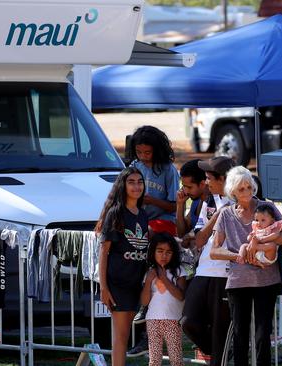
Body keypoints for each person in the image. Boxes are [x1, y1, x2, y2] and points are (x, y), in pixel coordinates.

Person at [210, 166, 282, 366]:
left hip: (267, 279)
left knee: (263, 333)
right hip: (238, 281)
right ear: (232, 191)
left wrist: (264, 245)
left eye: (249, 187)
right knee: (240, 334)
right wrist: (239, 254)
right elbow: (214, 251)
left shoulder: (267, 207)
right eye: (241, 189)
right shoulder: (225, 214)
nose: (247, 192)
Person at [179, 156, 235, 366]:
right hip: (203, 270)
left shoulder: (243, 200)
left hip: (227, 274)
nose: (206, 182)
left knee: (220, 330)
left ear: (223, 179)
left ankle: (221, 353)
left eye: (209, 178)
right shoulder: (210, 200)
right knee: (188, 322)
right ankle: (221, 351)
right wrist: (219, 215)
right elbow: (200, 238)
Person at [95, 167, 149, 366]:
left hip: (137, 282)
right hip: (117, 283)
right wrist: (104, 287)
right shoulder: (116, 214)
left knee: (128, 333)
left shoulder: (142, 214)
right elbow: (104, 251)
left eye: (139, 182)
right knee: (121, 335)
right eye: (131, 182)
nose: (136, 186)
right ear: (123, 186)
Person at [141, 233, 187, 366]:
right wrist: (149, 280)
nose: (164, 256)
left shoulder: (179, 271)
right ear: (152, 252)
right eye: (160, 251)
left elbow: (180, 295)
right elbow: (144, 302)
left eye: (168, 252)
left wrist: (164, 278)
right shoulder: (149, 273)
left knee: (176, 359)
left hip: (173, 320)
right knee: (154, 360)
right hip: (152, 320)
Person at [129, 125, 180, 224]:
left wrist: (152, 201)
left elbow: (175, 207)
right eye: (138, 152)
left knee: (148, 232)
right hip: (140, 219)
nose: (143, 156)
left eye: (147, 153)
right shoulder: (134, 166)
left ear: (158, 151)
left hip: (164, 219)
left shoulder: (169, 170)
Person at [176, 159, 208, 239]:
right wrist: (180, 204)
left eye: (189, 187)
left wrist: (192, 237)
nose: (186, 192)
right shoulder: (196, 201)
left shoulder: (213, 203)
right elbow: (181, 233)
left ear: (202, 184)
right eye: (184, 186)